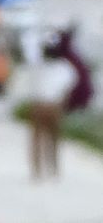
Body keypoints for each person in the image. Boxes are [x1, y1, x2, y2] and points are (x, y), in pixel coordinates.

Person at [21, 39, 78, 181]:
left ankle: (47, 168)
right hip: (45, 104)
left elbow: (68, 86)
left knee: (48, 138)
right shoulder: (48, 66)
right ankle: (41, 169)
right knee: (42, 139)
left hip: (48, 104)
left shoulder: (58, 67)